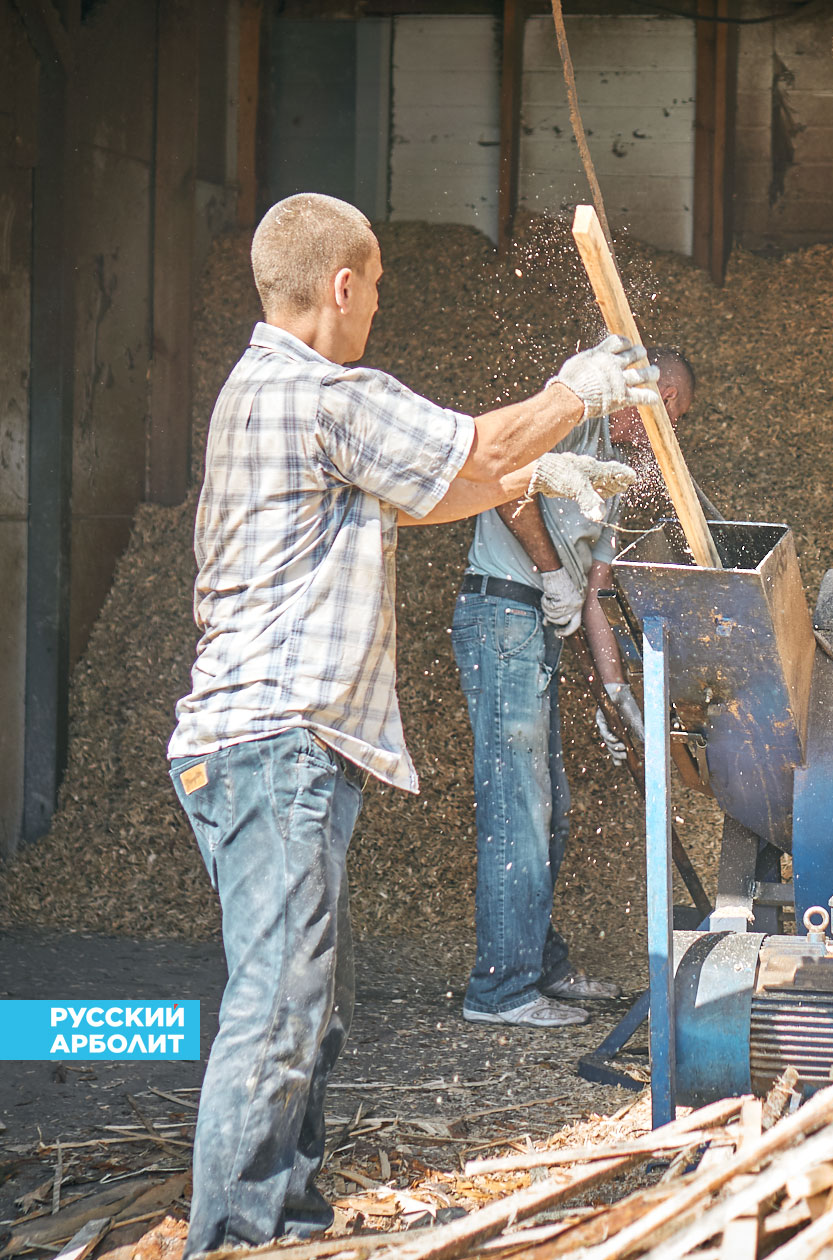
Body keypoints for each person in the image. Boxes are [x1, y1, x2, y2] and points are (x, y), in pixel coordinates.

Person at [165, 192, 656, 1259]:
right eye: (377, 284)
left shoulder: (261, 391)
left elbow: (425, 488)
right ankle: (238, 1241)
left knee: (302, 1007)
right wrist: (574, 394)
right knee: (280, 1009)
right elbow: (466, 447)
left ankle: (286, 1225)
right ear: (341, 284)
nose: (380, 304)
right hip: (272, 742)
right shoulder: (318, 393)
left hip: (257, 747)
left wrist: (531, 472)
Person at [453, 349, 697, 1027]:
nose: (660, 437)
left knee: (551, 808)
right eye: (666, 416)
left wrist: (616, 694)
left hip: (537, 624)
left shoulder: (615, 476)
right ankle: (500, 990)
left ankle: (536, 958)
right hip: (501, 613)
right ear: (657, 395)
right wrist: (549, 571)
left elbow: (593, 592)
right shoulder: (563, 415)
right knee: (519, 808)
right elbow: (505, 481)